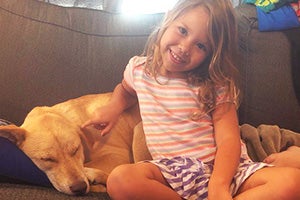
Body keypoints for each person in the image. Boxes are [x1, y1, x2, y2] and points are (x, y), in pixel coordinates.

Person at [82, 0, 300, 199]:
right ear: (168, 19)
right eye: (183, 30)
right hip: (172, 173)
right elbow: (126, 90)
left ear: (211, 54)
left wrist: (219, 184)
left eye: (201, 46)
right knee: (120, 180)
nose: (184, 48)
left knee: (293, 182)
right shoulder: (138, 69)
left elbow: (228, 140)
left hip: (224, 172)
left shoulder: (215, 84)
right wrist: (113, 107)